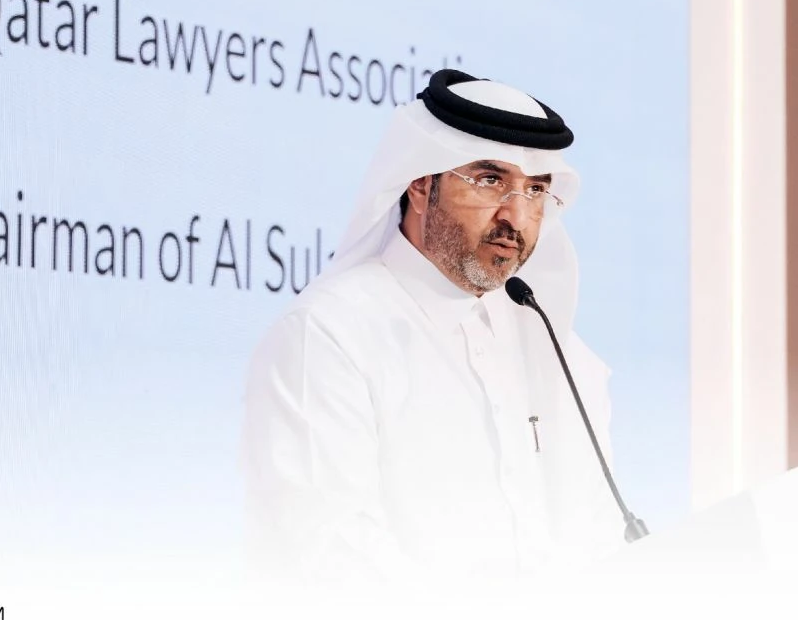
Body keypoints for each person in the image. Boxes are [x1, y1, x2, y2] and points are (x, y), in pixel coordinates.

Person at [242, 70, 627, 584]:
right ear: (422, 184)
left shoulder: (552, 349)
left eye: (536, 191)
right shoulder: (329, 335)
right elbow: (329, 556)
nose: (517, 217)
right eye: (490, 181)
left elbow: (599, 534)